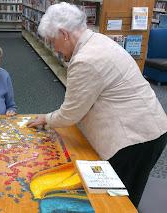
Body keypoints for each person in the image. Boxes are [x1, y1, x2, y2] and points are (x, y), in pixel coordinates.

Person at [26, 2, 167, 208]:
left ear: (64, 34)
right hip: (148, 127)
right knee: (123, 193)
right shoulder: (98, 39)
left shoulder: (86, 60)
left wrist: (46, 119)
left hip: (135, 138)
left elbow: (71, 113)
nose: (53, 48)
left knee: (116, 202)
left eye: (52, 40)